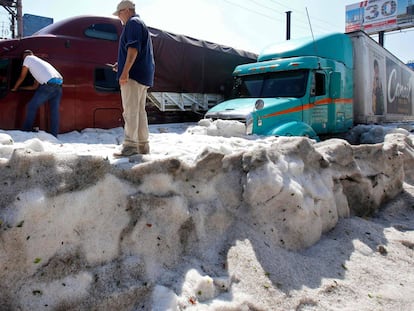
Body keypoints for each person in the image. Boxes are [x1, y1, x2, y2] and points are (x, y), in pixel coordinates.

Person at [112, 0, 155, 157]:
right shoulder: (140, 23)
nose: (119, 18)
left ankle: (130, 147)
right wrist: (121, 64)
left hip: (134, 75)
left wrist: (125, 72)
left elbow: (133, 48)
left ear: (127, 10)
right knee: (139, 112)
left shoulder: (132, 23)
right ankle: (143, 146)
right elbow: (137, 51)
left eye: (119, 14)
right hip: (143, 75)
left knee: (130, 111)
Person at [11, 50, 63, 137]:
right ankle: (54, 135)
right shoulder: (40, 64)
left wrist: (14, 88)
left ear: (26, 56)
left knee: (31, 106)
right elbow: (34, 86)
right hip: (59, 85)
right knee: (54, 111)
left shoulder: (28, 58)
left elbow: (22, 76)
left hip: (48, 85)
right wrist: (22, 88)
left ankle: (26, 131)